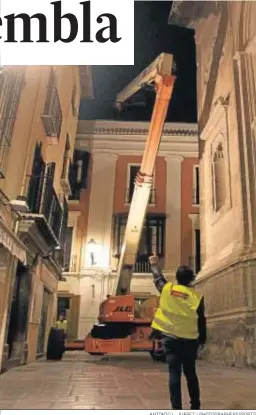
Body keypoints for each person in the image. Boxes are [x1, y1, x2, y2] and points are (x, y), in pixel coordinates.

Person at [149, 254, 207, 410]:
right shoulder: (196, 297)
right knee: (191, 374)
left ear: (177, 278)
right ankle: (195, 406)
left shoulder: (168, 289)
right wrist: (202, 340)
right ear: (191, 279)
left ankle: (176, 408)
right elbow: (201, 320)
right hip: (190, 341)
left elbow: (158, 278)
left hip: (170, 339)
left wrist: (154, 264)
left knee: (174, 374)